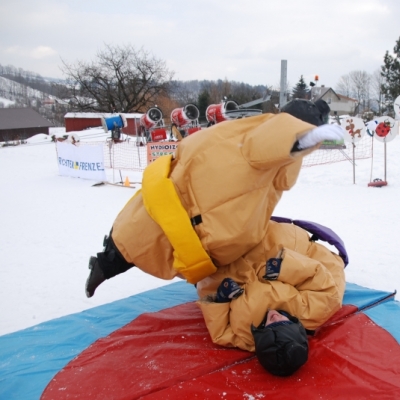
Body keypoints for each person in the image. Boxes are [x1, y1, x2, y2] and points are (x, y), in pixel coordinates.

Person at [86, 99, 343, 297]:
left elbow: (279, 172)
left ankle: (107, 262)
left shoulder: (248, 134)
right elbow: (271, 142)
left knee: (142, 238)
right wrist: (304, 138)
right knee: (143, 238)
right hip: (191, 211)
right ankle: (106, 263)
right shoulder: (260, 138)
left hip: (185, 206)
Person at [196, 218, 346, 376]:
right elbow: (319, 278)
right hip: (280, 256)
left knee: (209, 267)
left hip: (234, 274)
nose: (273, 316)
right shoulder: (311, 312)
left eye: (269, 325)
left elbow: (219, 330)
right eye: (282, 321)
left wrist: (222, 298)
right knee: (272, 239)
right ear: (297, 327)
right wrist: (283, 268)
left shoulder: (245, 339)